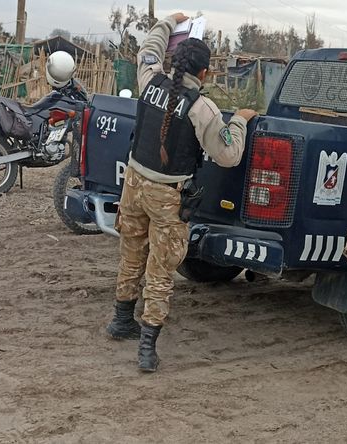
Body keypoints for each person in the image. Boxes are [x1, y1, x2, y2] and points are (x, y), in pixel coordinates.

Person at [105, 12, 258, 372]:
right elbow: (228, 155)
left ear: (173, 61)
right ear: (204, 73)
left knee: (131, 253)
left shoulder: (149, 79)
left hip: (133, 183)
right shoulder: (201, 109)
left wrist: (167, 23)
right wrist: (240, 120)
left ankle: (121, 320)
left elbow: (147, 50)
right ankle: (147, 347)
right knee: (160, 268)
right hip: (166, 194)